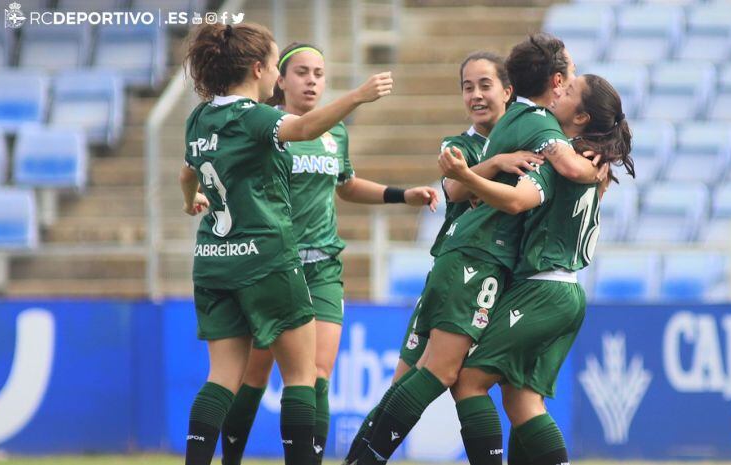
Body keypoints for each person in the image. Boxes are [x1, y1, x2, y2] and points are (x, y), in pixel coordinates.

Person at [346, 32, 607, 465]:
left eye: (484, 84)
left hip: (491, 264)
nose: (475, 94)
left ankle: (362, 460)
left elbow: (517, 187)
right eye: (467, 86)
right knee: (447, 377)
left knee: (453, 378)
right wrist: (598, 162)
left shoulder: (526, 127)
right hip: (477, 259)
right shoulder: (533, 131)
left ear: (509, 89)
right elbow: (465, 185)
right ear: (555, 81)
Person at [214, 42, 438, 465]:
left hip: (323, 268)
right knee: (256, 374)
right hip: (275, 266)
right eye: (302, 72)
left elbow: (346, 183)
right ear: (280, 80)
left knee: (318, 375)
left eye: (319, 73)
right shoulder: (268, 128)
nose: (312, 80)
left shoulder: (335, 132)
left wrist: (400, 195)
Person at [179, 22, 392, 465]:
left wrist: (190, 201)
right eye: (277, 65)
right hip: (268, 259)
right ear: (258, 69)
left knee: (221, 377)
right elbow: (305, 128)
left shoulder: (199, 117)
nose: (278, 75)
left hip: (215, 261)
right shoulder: (256, 116)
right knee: (302, 377)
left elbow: (187, 173)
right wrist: (356, 97)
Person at [438, 73, 635, 465]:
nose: (560, 90)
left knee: (469, 383)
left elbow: (515, 200)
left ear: (580, 118)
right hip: (567, 292)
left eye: (570, 91)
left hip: (542, 288)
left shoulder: (560, 159)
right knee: (521, 400)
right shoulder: (592, 163)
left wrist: (467, 178)